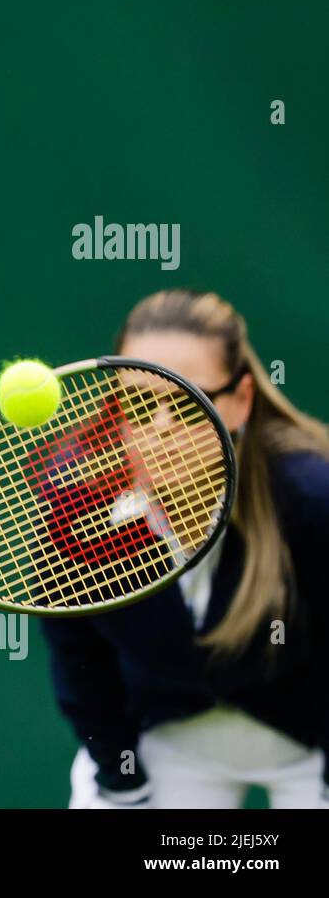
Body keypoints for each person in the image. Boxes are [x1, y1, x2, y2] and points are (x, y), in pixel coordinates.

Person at [42, 289, 329, 808]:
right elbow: (80, 661)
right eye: (137, 403)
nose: (161, 429)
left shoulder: (312, 498)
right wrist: (122, 782)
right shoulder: (74, 504)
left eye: (188, 403)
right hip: (162, 729)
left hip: (310, 738)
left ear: (241, 401)